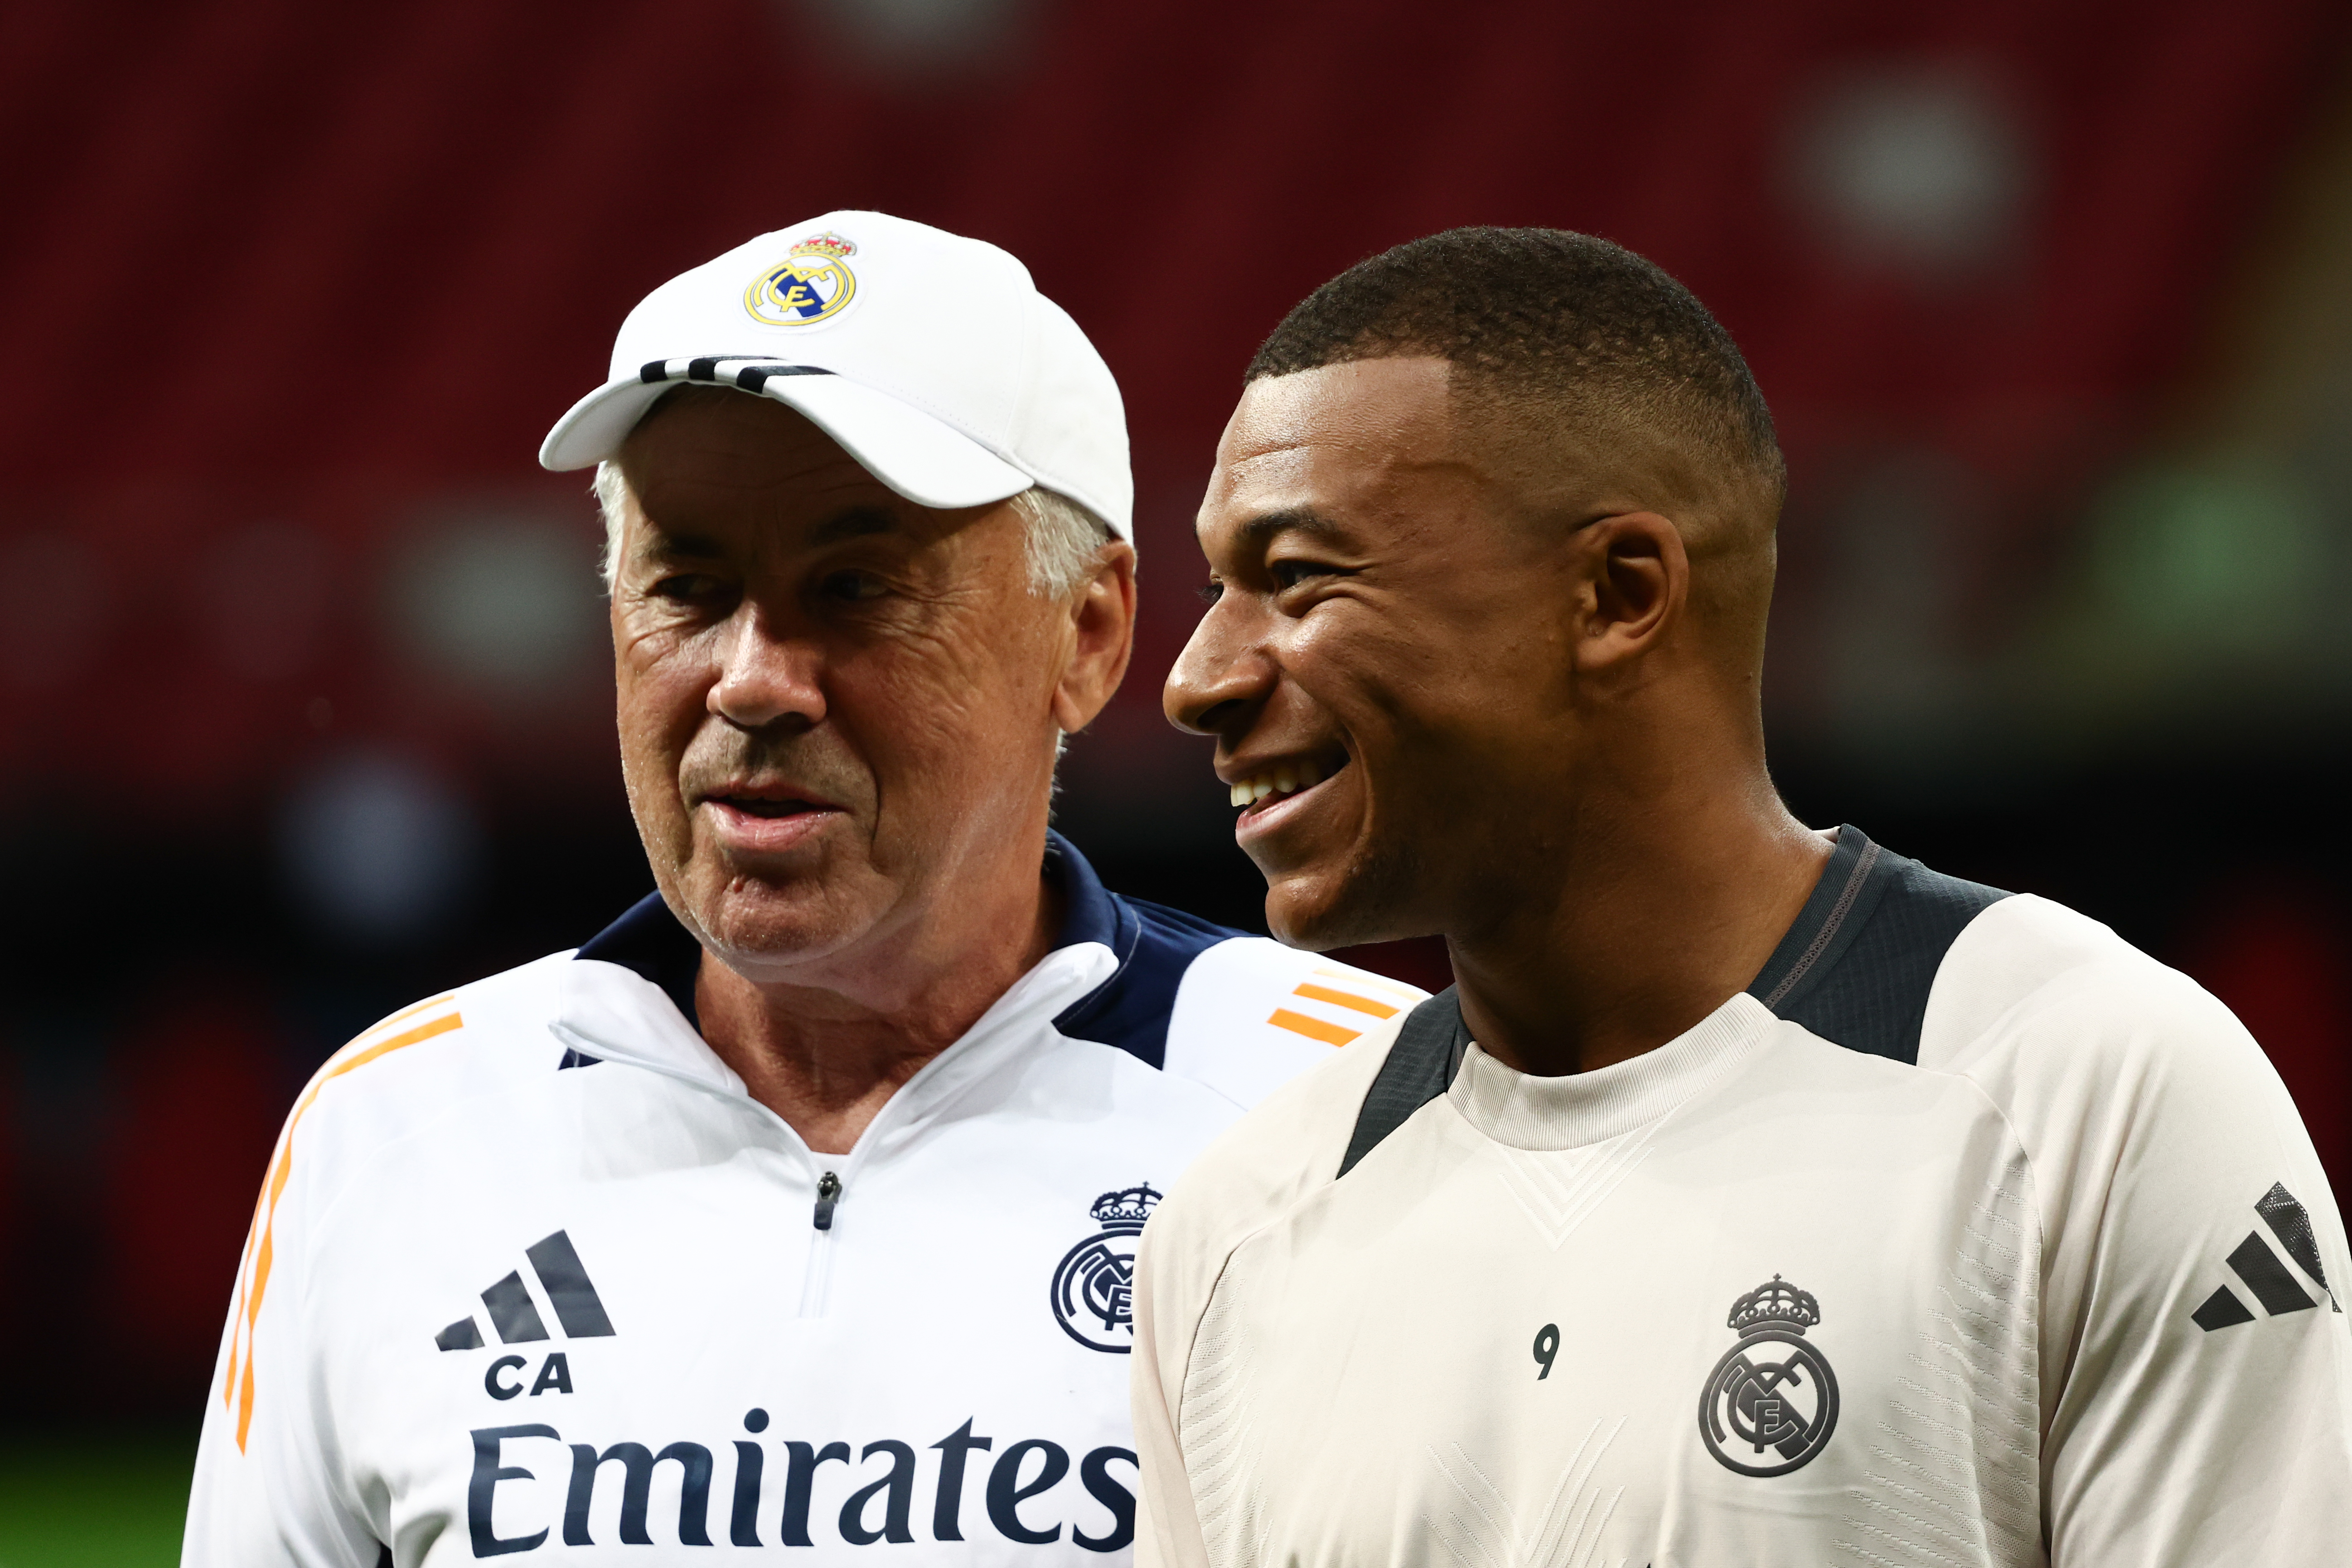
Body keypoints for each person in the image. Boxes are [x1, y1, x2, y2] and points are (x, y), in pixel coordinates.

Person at [183, 212, 1418, 1566]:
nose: (753, 677)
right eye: (689, 585)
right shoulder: (394, 1133)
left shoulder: (1363, 1118)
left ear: (1089, 631)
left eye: (854, 586)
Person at [1133, 227, 2352, 1567]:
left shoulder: (2089, 1096)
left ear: (1618, 594)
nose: (1198, 676)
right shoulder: (1240, 1223)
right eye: (1215, 587)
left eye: (1296, 576)